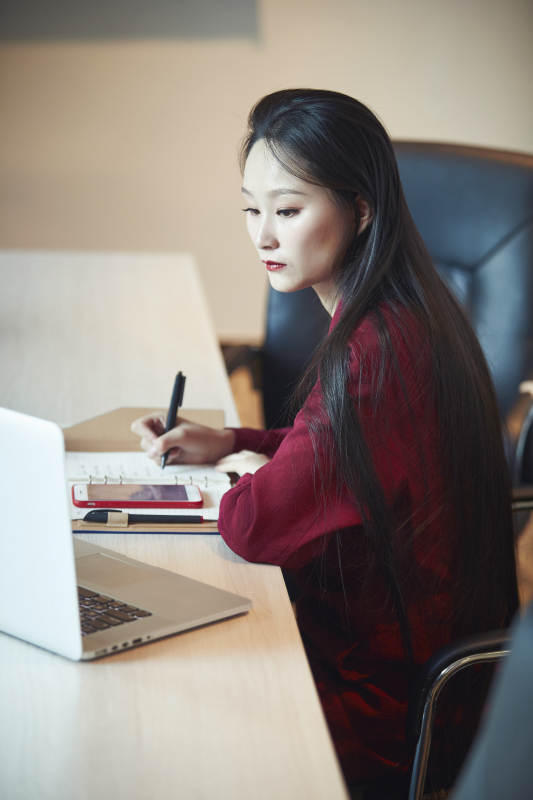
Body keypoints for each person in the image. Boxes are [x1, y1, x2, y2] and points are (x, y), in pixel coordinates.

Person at [131, 89, 518, 796]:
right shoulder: (409, 306)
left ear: (360, 208)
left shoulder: (371, 356)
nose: (262, 236)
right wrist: (235, 442)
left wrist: (238, 479)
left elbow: (251, 526)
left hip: (373, 701)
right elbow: (346, 447)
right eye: (251, 209)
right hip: (391, 646)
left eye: (287, 209)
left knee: (162, 722)